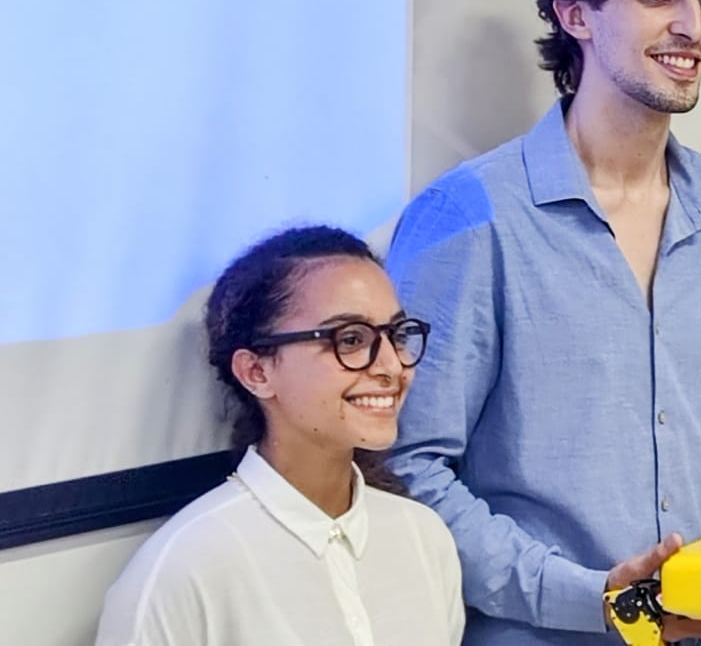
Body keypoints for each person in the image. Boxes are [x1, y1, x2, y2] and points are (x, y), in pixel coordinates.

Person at [386, 0, 701, 645]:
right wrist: (595, 598)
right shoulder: (468, 215)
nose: (692, 26)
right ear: (574, 14)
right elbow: (409, 467)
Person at [95, 225, 465, 646]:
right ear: (256, 371)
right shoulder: (184, 569)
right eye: (350, 339)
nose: (392, 367)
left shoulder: (423, 537)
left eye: (397, 335)